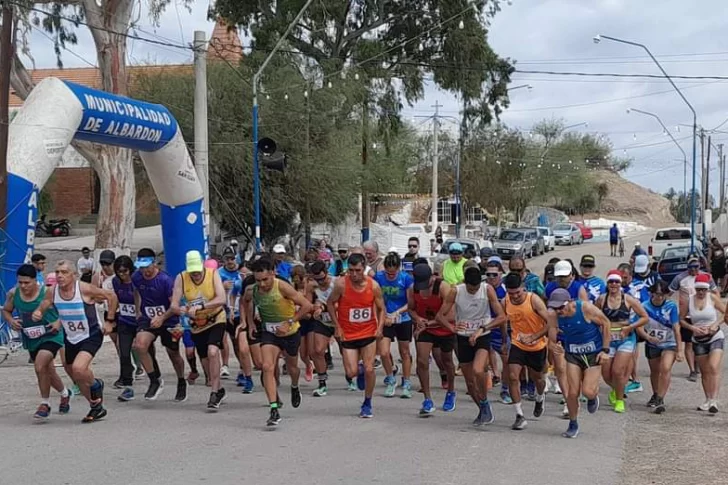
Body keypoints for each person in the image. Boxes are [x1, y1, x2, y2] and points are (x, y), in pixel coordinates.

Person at [34, 260, 118, 423]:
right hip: (71, 337)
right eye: (57, 272)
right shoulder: (52, 291)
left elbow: (111, 296)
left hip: (91, 334)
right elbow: (45, 303)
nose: (60, 276)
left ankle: (96, 385)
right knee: (76, 375)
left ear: (74, 275)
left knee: (80, 368)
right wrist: (39, 312)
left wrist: (109, 320)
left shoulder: (84, 289)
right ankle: (96, 407)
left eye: (64, 272)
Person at [244, 257, 313, 426]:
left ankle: (295, 386)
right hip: (270, 333)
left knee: (292, 368)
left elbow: (306, 306)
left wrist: (289, 322)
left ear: (273, 274)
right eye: (258, 280)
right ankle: (274, 408)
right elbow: (246, 302)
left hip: (290, 332)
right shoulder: (252, 290)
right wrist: (250, 323)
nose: (261, 284)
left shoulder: (282, 286)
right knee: (267, 366)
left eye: (265, 280)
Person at [436, 266, 506, 426]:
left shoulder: (487, 289)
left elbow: (502, 317)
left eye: (476, 288)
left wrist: (483, 329)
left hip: (482, 336)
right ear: (465, 283)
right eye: (471, 288)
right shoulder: (456, 291)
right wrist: (451, 328)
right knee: (469, 382)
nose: (474, 291)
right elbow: (440, 316)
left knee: (478, 369)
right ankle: (483, 406)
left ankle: (485, 400)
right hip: (463, 338)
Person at [3, 264, 70, 420]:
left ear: (35, 280)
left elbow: (67, 309)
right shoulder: (13, 294)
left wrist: (58, 323)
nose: (23, 286)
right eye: (20, 282)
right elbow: (6, 310)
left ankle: (44, 404)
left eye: (27, 282)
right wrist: (11, 320)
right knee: (48, 371)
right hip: (31, 337)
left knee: (39, 365)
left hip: (51, 334)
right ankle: (65, 393)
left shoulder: (47, 292)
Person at [327, 253, 386, 418]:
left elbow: (382, 308)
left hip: (368, 332)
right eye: (351, 270)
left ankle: (367, 403)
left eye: (357, 270)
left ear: (364, 268)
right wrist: (337, 326)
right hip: (348, 334)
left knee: (369, 369)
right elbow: (330, 303)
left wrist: (380, 327)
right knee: (351, 373)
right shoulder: (341, 285)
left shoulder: (373, 286)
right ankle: (358, 370)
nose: (353, 274)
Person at [547, 288, 611, 438]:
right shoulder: (553, 316)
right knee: (572, 392)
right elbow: (551, 338)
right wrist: (554, 346)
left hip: (592, 353)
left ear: (569, 302)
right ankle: (573, 423)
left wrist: (605, 350)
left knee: (587, 390)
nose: (559, 311)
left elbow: (606, 323)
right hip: (573, 354)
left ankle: (592, 396)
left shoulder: (585, 308)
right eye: (555, 308)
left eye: (561, 307)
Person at [171, 250, 229, 411]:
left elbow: (221, 298)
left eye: (198, 270)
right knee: (205, 361)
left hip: (216, 318)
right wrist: (181, 309)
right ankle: (218, 386)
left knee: (212, 352)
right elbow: (174, 304)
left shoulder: (212, 274)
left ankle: (214, 393)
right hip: (197, 324)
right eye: (192, 272)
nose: (195, 274)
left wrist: (202, 306)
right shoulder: (181, 278)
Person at [131, 248, 187, 403]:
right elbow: (136, 292)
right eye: (141, 268)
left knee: (173, 353)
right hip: (148, 317)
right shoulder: (136, 277)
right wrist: (137, 310)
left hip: (169, 318)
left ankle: (181, 380)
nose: (145, 271)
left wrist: (162, 318)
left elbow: (174, 305)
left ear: (154, 264)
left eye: (147, 267)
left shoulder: (166, 280)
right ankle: (154, 379)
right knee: (139, 345)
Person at [502, 272, 551, 431]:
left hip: (537, 346)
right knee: (512, 376)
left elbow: (551, 323)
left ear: (524, 288)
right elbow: (503, 319)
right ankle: (519, 415)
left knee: (538, 379)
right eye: (511, 293)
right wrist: (504, 340)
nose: (515, 296)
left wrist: (534, 337)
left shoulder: (533, 300)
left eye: (518, 292)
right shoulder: (506, 301)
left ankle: (539, 397)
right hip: (517, 343)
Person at [595, 270, 649, 414]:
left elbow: (644, 317)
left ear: (620, 283)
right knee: (606, 374)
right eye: (611, 281)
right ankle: (616, 389)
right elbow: (594, 316)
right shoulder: (601, 299)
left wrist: (630, 326)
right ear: (607, 283)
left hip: (625, 338)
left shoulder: (628, 299)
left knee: (618, 371)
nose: (614, 284)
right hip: (607, 339)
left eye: (616, 282)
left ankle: (619, 400)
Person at [409, 263, 457, 415]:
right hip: (425, 328)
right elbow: (411, 308)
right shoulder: (412, 288)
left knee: (446, 361)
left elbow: (450, 315)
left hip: (443, 327)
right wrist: (417, 319)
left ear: (432, 277)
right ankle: (427, 398)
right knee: (422, 361)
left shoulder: (443, 287)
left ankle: (451, 391)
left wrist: (428, 323)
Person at [680, 273, 725, 413]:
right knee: (705, 371)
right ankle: (707, 399)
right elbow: (681, 319)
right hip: (698, 339)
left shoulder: (712, 298)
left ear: (707, 289)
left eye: (703, 290)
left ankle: (714, 400)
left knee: (713, 366)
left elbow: (725, 313)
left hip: (715, 336)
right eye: (699, 289)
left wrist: (715, 325)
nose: (701, 292)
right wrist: (692, 328)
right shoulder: (689, 301)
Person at [669, 255, 718, 382]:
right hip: (688, 315)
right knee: (689, 343)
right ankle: (692, 370)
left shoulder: (706, 277)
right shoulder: (680, 278)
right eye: (691, 267)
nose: (693, 269)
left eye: (696, 266)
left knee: (702, 341)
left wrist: (712, 304)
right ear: (687, 267)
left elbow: (715, 292)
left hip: (702, 314)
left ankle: (699, 366)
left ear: (700, 265)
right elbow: (669, 292)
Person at [638, 280, 684, 414]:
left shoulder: (671, 306)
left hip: (669, 343)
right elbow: (639, 327)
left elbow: (676, 328)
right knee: (655, 371)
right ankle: (656, 393)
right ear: (651, 293)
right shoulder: (644, 306)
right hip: (652, 343)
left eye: (662, 294)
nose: (659, 297)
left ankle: (660, 398)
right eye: (657, 294)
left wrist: (680, 350)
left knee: (665, 367)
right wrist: (648, 337)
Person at [374, 252, 415, 398]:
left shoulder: (406, 279)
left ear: (399, 268)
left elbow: (411, 302)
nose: (390, 276)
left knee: (404, 352)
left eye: (393, 273)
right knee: (384, 352)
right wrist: (384, 314)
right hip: (385, 318)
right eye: (388, 273)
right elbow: (376, 299)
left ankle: (407, 381)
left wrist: (397, 312)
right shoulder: (378, 278)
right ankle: (391, 378)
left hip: (403, 318)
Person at [111, 256, 141, 402]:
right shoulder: (115, 282)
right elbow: (116, 299)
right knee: (123, 352)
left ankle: (154, 378)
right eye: (119, 272)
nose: (122, 274)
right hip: (124, 320)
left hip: (140, 321)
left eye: (125, 271)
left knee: (143, 350)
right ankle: (127, 384)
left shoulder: (138, 281)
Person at [218, 247, 250, 386]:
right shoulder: (218, 273)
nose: (230, 261)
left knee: (243, 343)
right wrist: (221, 286)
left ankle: (245, 370)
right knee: (234, 342)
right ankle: (242, 369)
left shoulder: (243, 271)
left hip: (246, 312)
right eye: (227, 259)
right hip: (228, 313)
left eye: (232, 258)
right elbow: (212, 291)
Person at [306, 261, 337, 396]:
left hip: (338, 321)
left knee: (348, 359)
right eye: (317, 279)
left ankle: (351, 378)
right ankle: (322, 383)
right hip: (322, 322)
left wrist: (323, 306)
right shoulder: (311, 286)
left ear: (327, 272)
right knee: (317, 351)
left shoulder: (337, 283)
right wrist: (316, 308)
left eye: (322, 278)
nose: (320, 282)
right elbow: (308, 305)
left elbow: (342, 303)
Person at [483, 257, 511, 403]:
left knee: (506, 361)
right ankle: (482, 390)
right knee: (481, 362)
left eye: (495, 274)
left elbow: (504, 317)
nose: (491, 277)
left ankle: (505, 389)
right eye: (488, 274)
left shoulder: (505, 291)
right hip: (483, 329)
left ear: (501, 273)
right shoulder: (482, 287)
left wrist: (505, 338)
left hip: (501, 330)